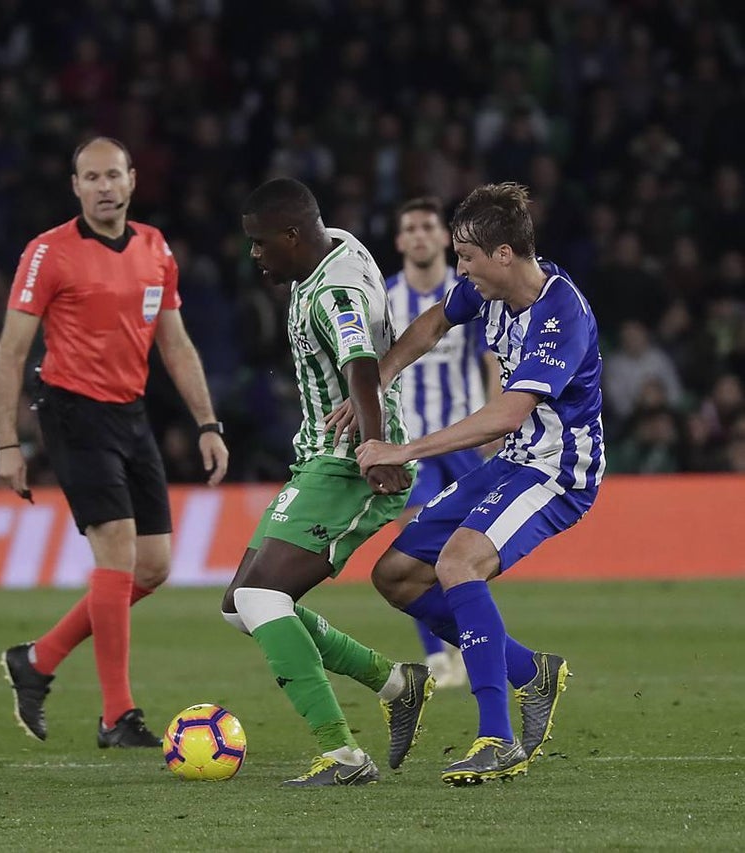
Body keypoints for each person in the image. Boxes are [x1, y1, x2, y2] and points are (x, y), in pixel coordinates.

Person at [357, 182, 604, 786]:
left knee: (458, 563)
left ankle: (497, 737)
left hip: (557, 470)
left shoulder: (559, 311)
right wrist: (382, 376)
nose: (457, 268)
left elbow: (508, 413)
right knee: (394, 575)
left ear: (502, 254)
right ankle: (530, 671)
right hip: (513, 462)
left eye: (466, 257)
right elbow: (434, 322)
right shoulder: (482, 290)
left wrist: (405, 449)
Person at [0, 137, 229, 747]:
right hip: (71, 410)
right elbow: (12, 351)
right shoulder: (48, 253)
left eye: (113, 175)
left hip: (130, 412)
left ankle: (38, 659)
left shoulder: (154, 248)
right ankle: (116, 716)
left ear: (131, 181)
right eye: (90, 177)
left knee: (153, 567)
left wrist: (207, 423)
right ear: (75, 186)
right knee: (118, 556)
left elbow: (175, 344)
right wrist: (7, 442)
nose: (103, 187)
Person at [221, 177, 433, 787]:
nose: (255, 255)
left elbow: (360, 362)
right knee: (242, 606)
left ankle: (342, 755)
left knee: (262, 600)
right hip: (319, 455)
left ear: (292, 235)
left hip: (347, 465)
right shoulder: (338, 244)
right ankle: (398, 684)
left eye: (261, 244)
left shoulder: (333, 290)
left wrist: (372, 448)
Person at [385, 196, 501, 689]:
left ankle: (469, 643)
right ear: (400, 240)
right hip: (414, 444)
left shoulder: (470, 291)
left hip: (467, 440)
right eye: (409, 227)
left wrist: (497, 424)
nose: (418, 235)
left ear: (442, 237)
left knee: (465, 552)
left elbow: (491, 358)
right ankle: (436, 657)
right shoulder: (387, 298)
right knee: (416, 544)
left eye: (427, 226)